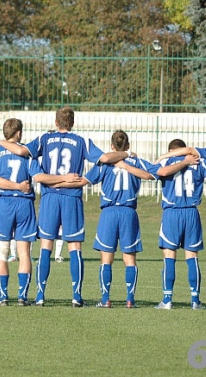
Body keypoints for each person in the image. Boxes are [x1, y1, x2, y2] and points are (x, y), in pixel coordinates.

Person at [0, 107, 129, 307]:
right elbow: (104, 159)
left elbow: (20, 150)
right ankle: (76, 296)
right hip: (71, 197)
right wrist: (126, 154)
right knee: (74, 247)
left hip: (50, 197)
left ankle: (40, 296)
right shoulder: (81, 141)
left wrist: (1, 142)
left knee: (46, 246)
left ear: (56, 122)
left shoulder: (45, 139)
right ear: (73, 123)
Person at [0, 118, 80, 306]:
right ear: (19, 133)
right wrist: (65, 179)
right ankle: (22, 296)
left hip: (3, 203)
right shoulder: (28, 154)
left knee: (1, 252)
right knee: (24, 252)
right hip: (24, 205)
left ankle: (3, 297)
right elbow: (38, 177)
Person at [72, 130, 159, 308]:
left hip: (109, 213)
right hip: (129, 213)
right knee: (130, 259)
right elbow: (153, 174)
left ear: (112, 147)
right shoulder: (137, 161)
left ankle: (105, 299)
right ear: (128, 146)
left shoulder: (106, 164)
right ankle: (129, 299)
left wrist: (58, 182)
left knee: (106, 258)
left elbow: (83, 181)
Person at [148, 139, 206, 310]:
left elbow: (158, 172)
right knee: (192, 257)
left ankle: (167, 300)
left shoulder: (165, 161)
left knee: (169, 256)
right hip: (191, 213)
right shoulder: (198, 162)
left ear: (171, 150)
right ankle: (195, 300)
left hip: (172, 213)